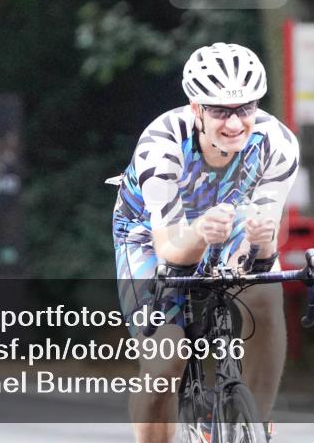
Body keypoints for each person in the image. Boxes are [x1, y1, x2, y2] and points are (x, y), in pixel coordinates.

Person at [111, 42, 300, 443]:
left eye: (245, 108)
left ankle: (255, 422)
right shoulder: (161, 143)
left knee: (265, 296)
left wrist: (261, 243)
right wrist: (199, 234)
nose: (234, 123)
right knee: (166, 362)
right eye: (219, 111)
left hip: (229, 219)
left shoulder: (278, 144)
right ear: (196, 108)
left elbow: (264, 248)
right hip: (149, 232)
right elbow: (170, 251)